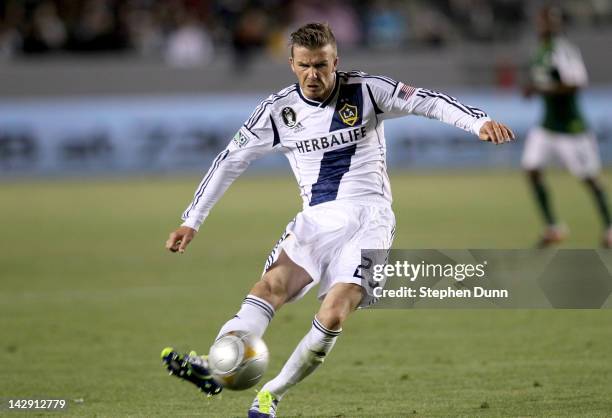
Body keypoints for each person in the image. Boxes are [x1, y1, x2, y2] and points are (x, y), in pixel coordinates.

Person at [161, 22, 514, 417]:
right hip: (315, 220)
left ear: (335, 62)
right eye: (305, 66)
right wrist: (192, 219)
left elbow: (427, 102)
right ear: (292, 64)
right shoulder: (277, 112)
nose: (314, 75)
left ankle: (271, 394)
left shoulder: (367, 91)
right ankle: (216, 366)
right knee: (270, 286)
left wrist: (478, 122)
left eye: (322, 66)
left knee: (333, 312)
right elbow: (229, 161)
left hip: (370, 219)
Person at [522, 6, 612, 248]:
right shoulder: (539, 52)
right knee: (531, 169)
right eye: (542, 20)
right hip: (547, 125)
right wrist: (532, 88)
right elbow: (543, 81)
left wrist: (541, 89)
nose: (543, 25)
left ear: (558, 25)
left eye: (549, 21)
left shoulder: (564, 50)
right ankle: (553, 227)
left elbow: (576, 83)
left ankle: (609, 227)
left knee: (590, 178)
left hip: (572, 128)